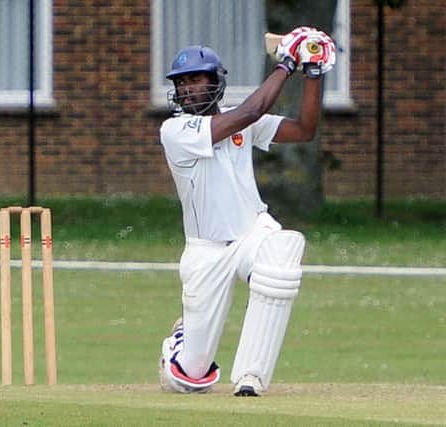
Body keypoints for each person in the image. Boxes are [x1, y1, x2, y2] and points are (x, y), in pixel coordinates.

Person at [158, 26, 336, 396]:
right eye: (183, 83)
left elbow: (303, 129)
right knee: (187, 379)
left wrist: (313, 73)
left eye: (197, 79)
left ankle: (251, 377)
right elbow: (251, 110)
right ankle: (180, 341)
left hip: (252, 230)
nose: (189, 88)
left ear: (216, 82)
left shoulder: (241, 124)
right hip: (206, 252)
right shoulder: (176, 131)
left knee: (282, 253)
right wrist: (286, 63)